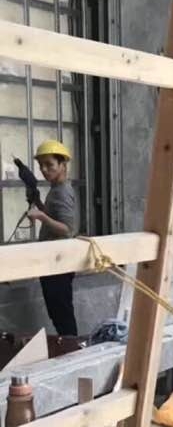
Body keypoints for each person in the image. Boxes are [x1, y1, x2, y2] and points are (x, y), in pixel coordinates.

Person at [27, 140, 78, 336]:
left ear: (63, 164)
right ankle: (68, 345)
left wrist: (41, 216)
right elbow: (55, 216)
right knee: (58, 312)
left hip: (59, 262)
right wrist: (38, 203)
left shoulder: (62, 192)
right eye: (41, 165)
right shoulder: (56, 188)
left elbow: (67, 230)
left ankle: (72, 348)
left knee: (62, 314)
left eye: (49, 164)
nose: (44, 170)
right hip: (53, 261)